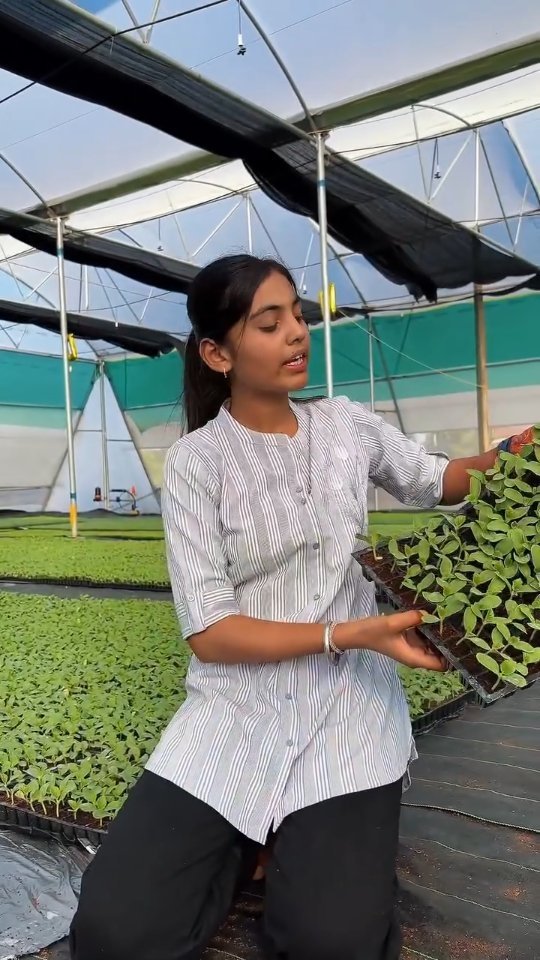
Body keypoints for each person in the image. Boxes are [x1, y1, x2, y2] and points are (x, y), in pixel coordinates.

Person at [70, 255, 531, 960]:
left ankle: (282, 839)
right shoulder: (198, 462)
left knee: (331, 943)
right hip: (235, 712)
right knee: (114, 933)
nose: (297, 334)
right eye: (270, 322)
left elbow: (438, 480)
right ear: (218, 353)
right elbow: (212, 631)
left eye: (298, 315)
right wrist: (353, 632)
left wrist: (513, 453)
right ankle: (251, 839)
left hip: (348, 711)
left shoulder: (345, 426)